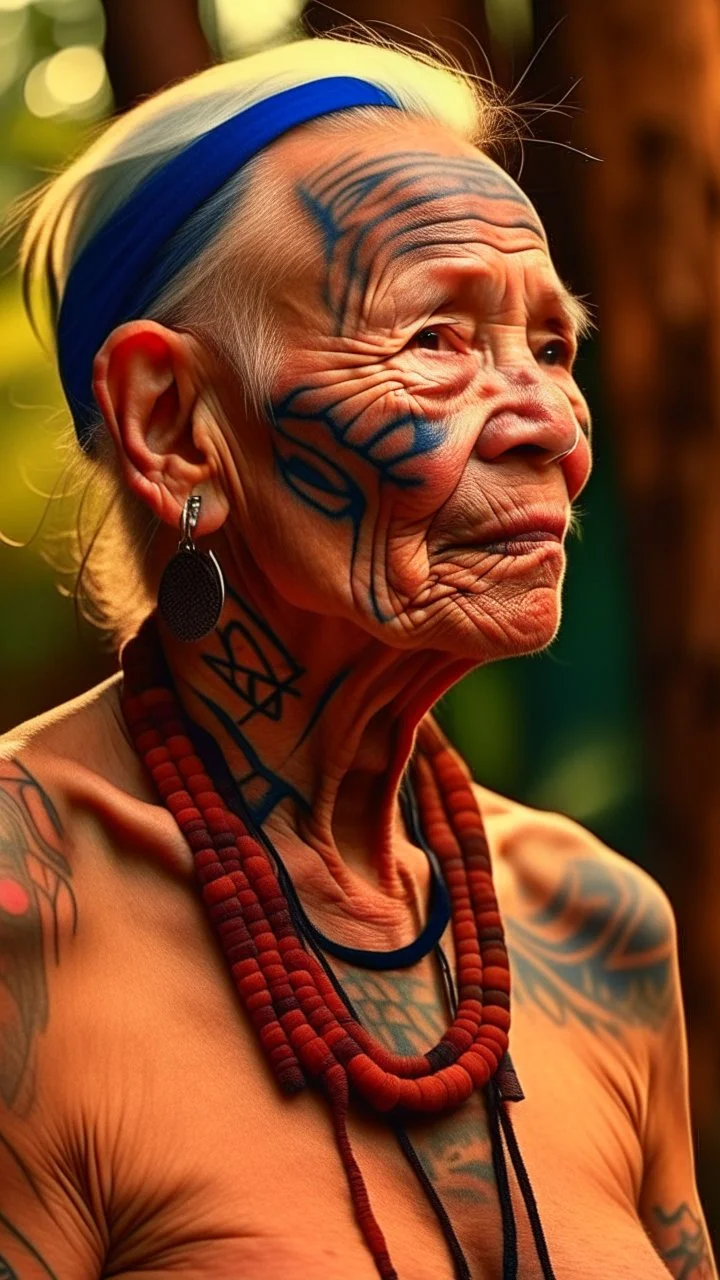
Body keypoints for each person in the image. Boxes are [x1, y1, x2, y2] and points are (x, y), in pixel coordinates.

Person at [0, 34, 715, 1280]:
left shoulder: (600, 925)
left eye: (552, 347)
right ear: (173, 424)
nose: (549, 422)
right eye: (437, 337)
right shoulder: (24, 915)